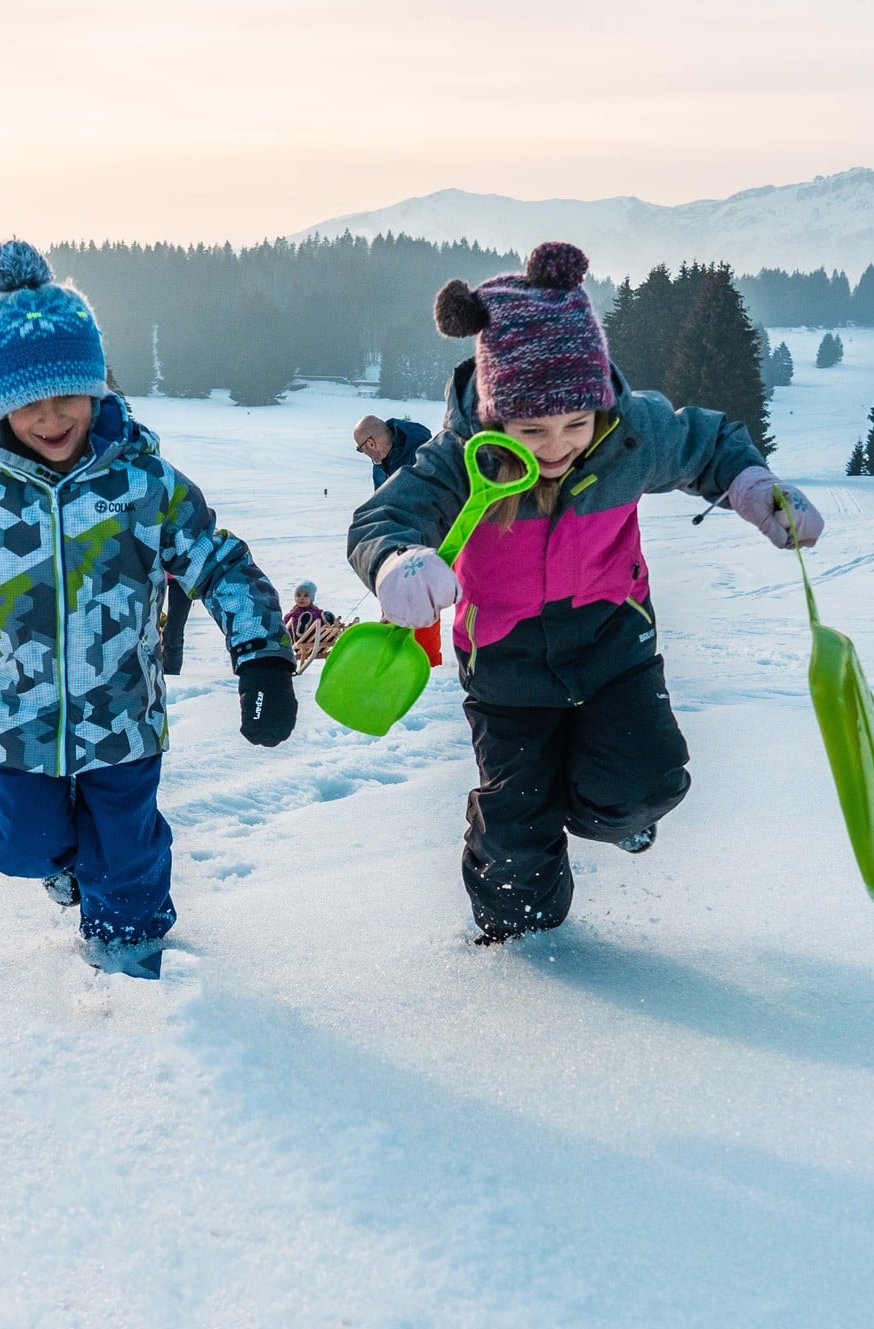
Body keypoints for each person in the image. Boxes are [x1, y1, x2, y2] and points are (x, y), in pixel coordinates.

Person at [346, 242, 823, 944]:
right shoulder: (460, 461)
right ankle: (521, 947)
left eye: (576, 424)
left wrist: (753, 488)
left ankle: (593, 811)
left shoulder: (631, 439)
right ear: (493, 415)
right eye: (532, 429)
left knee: (647, 786)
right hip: (507, 665)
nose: (557, 446)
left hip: (612, 643)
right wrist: (397, 562)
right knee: (518, 841)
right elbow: (383, 517)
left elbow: (710, 442)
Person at [0, 240, 297, 976]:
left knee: (124, 854)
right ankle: (67, 873)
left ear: (96, 386)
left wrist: (262, 655)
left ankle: (131, 962)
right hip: (14, 720)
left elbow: (217, 560)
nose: (52, 416)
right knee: (16, 846)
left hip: (122, 716)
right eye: (28, 402)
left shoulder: (143, 484)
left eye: (67, 393)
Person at [352, 414, 444, 666]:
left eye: (362, 449)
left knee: (423, 595)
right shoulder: (381, 464)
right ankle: (398, 654)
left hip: (433, 536)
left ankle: (427, 661)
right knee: (393, 589)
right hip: (399, 541)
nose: (366, 455)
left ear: (370, 443)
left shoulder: (421, 449)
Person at [354, 413, 432, 490]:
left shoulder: (422, 459)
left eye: (361, 449)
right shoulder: (379, 462)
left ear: (371, 444)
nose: (364, 453)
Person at [282, 581, 346, 668]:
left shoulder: (317, 612)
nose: (301, 598)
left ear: (311, 598)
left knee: (322, 620)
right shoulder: (292, 614)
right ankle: (301, 631)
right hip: (298, 643)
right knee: (301, 621)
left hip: (319, 640)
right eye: (298, 595)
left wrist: (331, 621)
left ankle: (331, 625)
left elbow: (321, 616)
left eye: (305, 595)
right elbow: (284, 627)